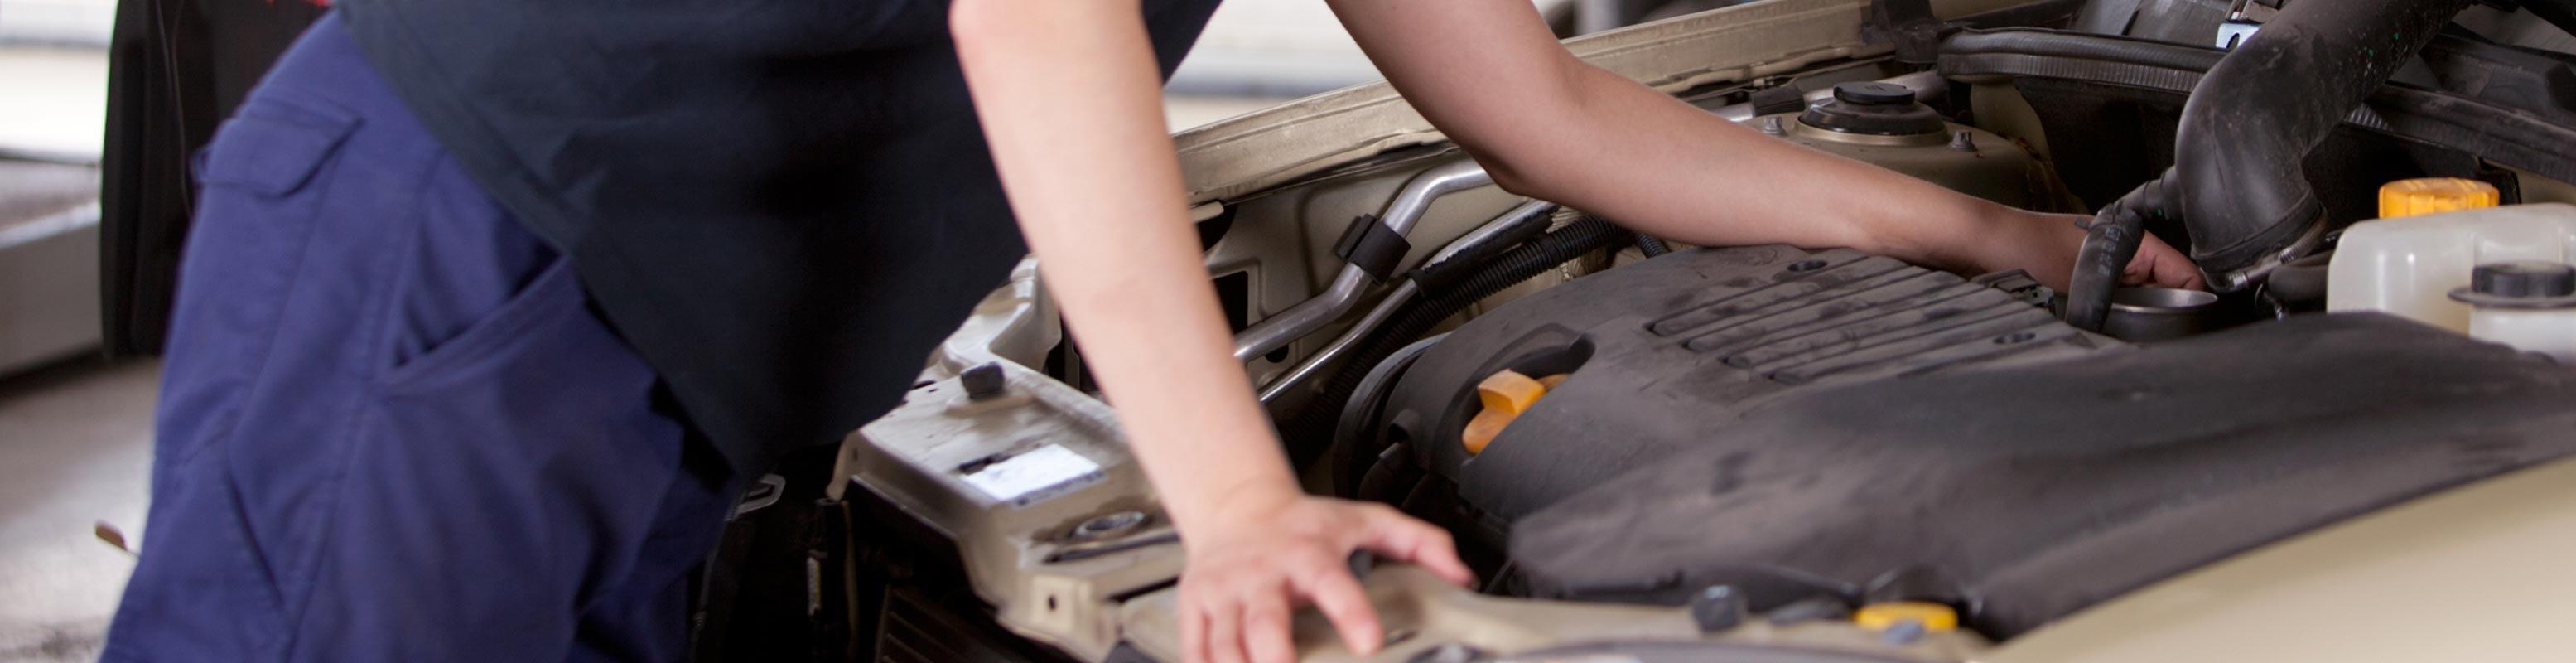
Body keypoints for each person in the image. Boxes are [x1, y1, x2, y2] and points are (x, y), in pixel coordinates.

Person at [103, 0, 2200, 661]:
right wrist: (1230, 501)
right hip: (453, 263)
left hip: (650, 335)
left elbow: (1539, 104)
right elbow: (1034, 12)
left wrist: (2001, 241)